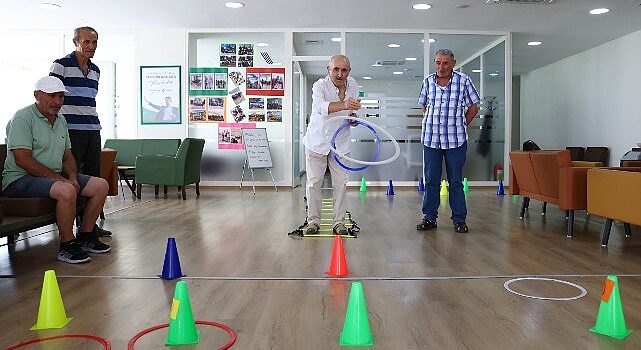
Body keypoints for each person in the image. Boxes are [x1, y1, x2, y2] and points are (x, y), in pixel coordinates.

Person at [2, 76, 112, 264]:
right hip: (19, 179)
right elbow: (22, 159)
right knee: (66, 189)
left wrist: (72, 176)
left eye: (61, 97)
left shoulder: (60, 120)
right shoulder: (22, 118)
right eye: (52, 96)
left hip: (51, 177)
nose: (57, 102)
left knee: (100, 185)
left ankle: (85, 235)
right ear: (37, 95)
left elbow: (67, 155)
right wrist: (60, 180)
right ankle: (67, 246)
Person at [50, 26, 110, 237]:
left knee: (94, 179)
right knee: (74, 177)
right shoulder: (61, 65)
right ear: (76, 42)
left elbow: (89, 100)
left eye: (94, 43)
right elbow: (51, 95)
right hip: (71, 130)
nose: (91, 47)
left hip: (93, 128)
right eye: (86, 42)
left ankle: (88, 226)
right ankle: (72, 228)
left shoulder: (95, 70)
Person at [416, 49, 480, 234]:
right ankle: (429, 217)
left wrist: (461, 123)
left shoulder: (463, 81)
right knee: (431, 181)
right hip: (431, 139)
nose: (441, 67)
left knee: (456, 181)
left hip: (456, 140)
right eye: (437, 63)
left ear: (453, 63)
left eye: (445, 63)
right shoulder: (427, 81)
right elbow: (424, 106)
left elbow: (473, 107)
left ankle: (459, 219)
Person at [302, 55, 361, 235]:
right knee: (313, 182)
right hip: (317, 141)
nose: (340, 73)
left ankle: (339, 222)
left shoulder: (354, 85)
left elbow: (349, 113)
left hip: (341, 143)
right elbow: (321, 108)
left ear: (349, 71)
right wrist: (344, 104)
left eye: (344, 70)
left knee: (341, 183)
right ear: (328, 70)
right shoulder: (319, 85)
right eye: (336, 69)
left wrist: (353, 119)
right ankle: (313, 221)